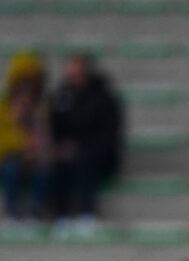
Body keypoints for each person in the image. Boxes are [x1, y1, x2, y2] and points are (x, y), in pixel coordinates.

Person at [48, 51, 122, 232]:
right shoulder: (61, 97)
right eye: (72, 73)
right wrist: (61, 147)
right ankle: (61, 215)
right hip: (67, 153)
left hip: (98, 153)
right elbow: (53, 127)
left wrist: (83, 147)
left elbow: (109, 133)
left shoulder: (103, 98)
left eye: (79, 73)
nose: (75, 77)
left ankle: (87, 213)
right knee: (58, 164)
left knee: (84, 162)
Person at [0, 52, 50, 222]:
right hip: (10, 158)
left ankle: (35, 213)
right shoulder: (4, 109)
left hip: (36, 158)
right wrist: (23, 143)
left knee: (44, 170)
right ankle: (12, 212)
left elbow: (46, 140)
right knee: (11, 168)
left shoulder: (42, 109)